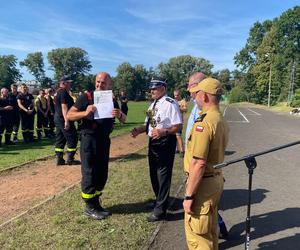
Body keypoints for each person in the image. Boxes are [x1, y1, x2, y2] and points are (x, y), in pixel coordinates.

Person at [67, 72, 126, 220]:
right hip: (89, 139)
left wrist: (119, 114)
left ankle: (96, 203)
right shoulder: (86, 97)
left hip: (104, 140)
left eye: (103, 83)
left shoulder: (111, 99)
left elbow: (124, 119)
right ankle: (89, 206)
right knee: (89, 173)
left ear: (109, 85)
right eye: (98, 82)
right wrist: (84, 113)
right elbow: (69, 115)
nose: (100, 85)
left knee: (102, 172)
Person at [183, 77, 229, 249]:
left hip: (202, 184)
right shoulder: (220, 119)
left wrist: (189, 196)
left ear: (206, 96)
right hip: (215, 179)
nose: (195, 97)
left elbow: (198, 163)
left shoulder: (204, 123)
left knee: (198, 237)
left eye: (198, 94)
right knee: (210, 232)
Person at [131, 77, 182, 222]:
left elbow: (178, 125)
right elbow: (149, 124)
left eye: (154, 88)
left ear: (163, 88)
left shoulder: (170, 103)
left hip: (165, 141)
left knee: (163, 176)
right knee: (153, 173)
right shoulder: (152, 105)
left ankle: (160, 211)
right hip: (153, 143)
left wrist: (163, 132)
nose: (151, 91)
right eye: (150, 88)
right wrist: (139, 130)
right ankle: (159, 200)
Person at [54, 75, 79, 165]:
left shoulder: (57, 92)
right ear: (63, 83)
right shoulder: (63, 92)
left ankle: (59, 158)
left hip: (57, 117)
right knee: (73, 137)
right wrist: (66, 121)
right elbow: (64, 107)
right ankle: (70, 159)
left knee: (60, 138)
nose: (70, 84)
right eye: (68, 82)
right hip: (64, 118)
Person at [173, 89, 187, 157]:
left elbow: (185, 109)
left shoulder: (182, 101)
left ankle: (182, 150)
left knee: (178, 136)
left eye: (177, 95)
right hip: (173, 121)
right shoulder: (174, 101)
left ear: (180, 95)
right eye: (174, 95)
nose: (175, 97)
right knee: (174, 136)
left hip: (179, 122)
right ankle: (176, 149)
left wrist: (178, 108)